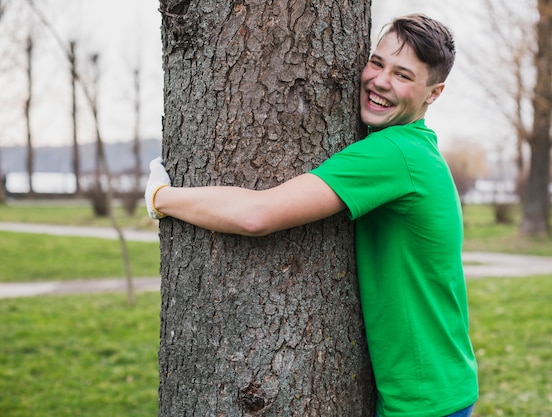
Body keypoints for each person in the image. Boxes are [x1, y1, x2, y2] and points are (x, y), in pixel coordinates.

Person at [145, 13, 478, 417]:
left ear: (434, 93)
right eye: (377, 62)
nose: (380, 81)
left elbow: (258, 215)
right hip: (438, 389)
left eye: (403, 75)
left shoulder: (395, 153)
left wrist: (162, 197)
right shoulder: (414, 150)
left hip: (426, 403)